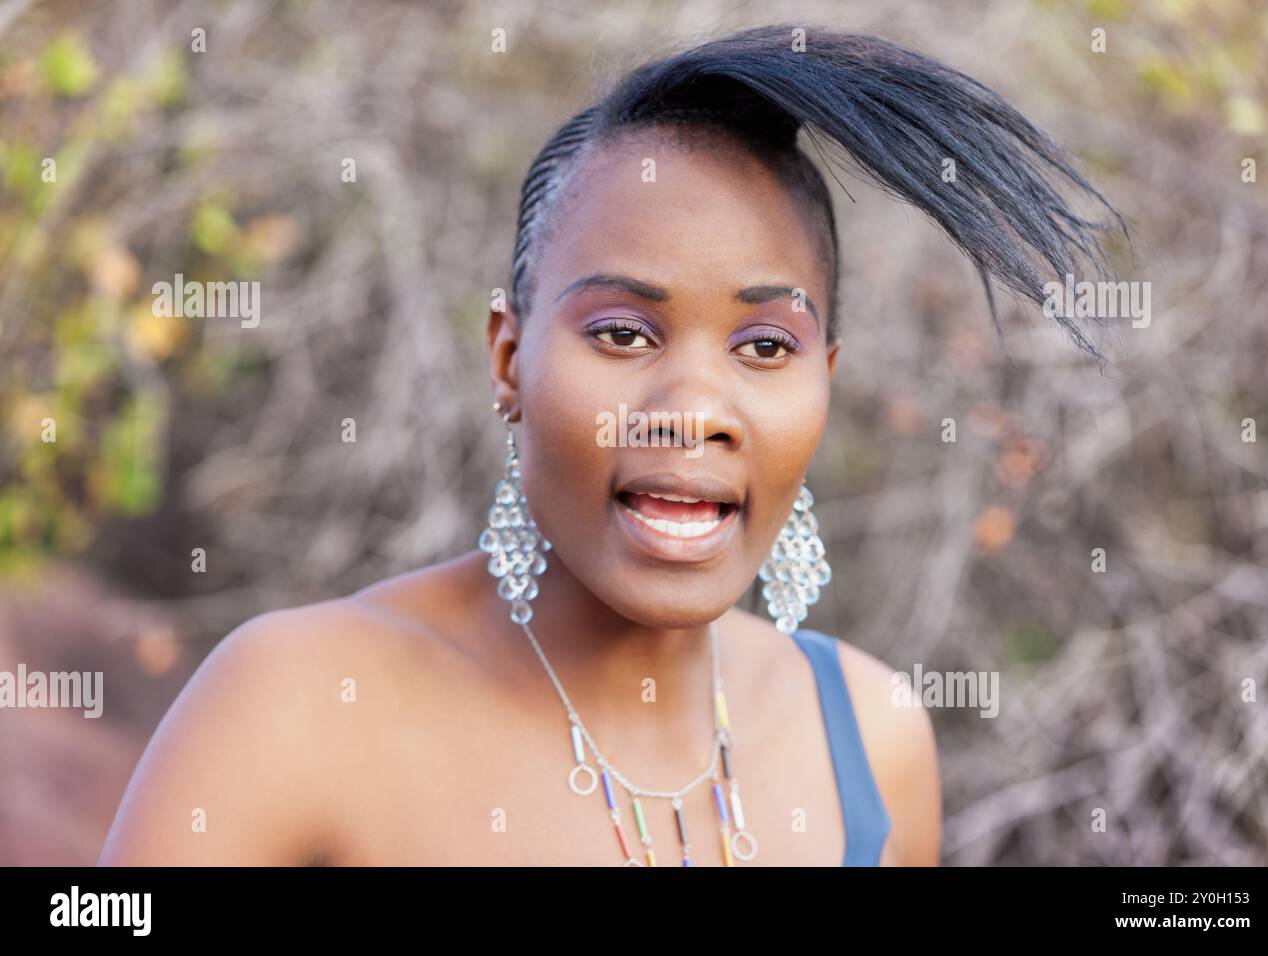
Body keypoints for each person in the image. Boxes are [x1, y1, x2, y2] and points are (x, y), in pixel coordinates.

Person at [99, 23, 1121, 867]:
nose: (693, 409)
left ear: (825, 382)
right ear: (508, 359)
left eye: (766, 345)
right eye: (623, 333)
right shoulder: (299, 705)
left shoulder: (870, 736)